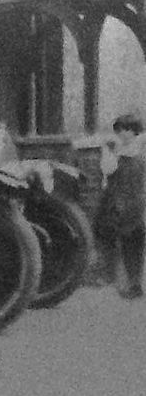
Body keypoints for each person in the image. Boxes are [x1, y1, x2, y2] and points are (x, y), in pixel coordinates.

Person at [93, 114, 146, 299]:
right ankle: (132, 282)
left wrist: (107, 151)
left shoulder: (123, 152)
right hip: (133, 202)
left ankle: (118, 279)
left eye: (125, 130)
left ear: (133, 131)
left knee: (121, 239)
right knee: (132, 243)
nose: (122, 134)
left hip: (122, 202)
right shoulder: (137, 151)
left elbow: (107, 170)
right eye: (120, 131)